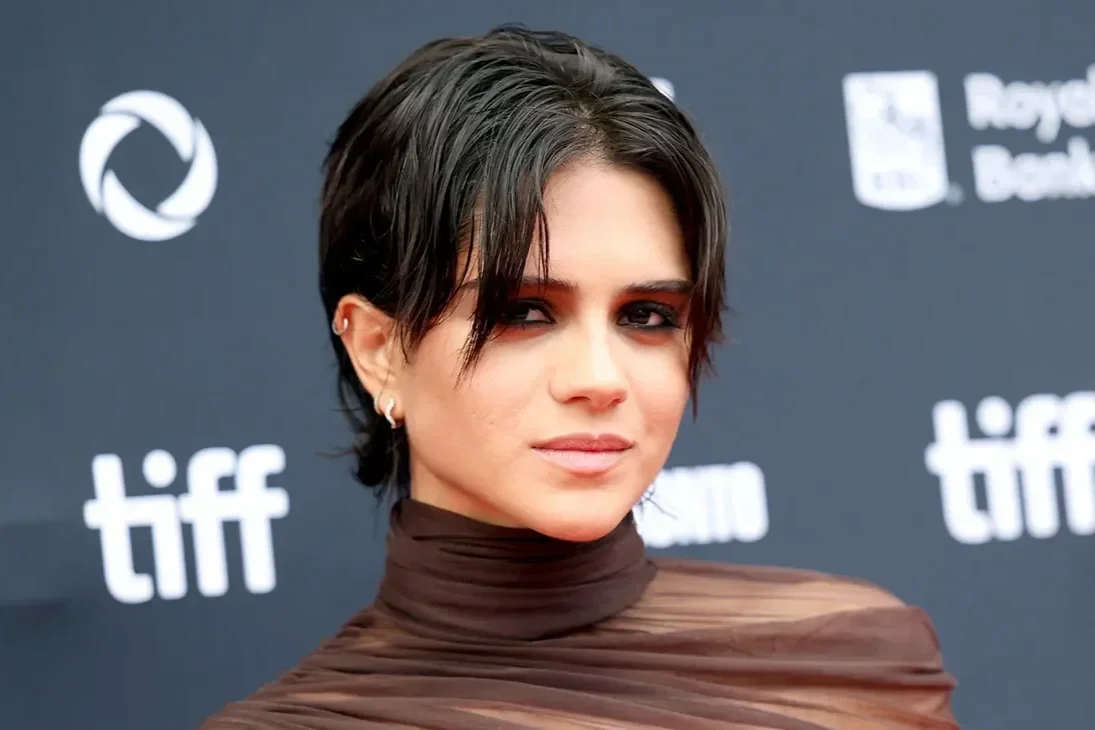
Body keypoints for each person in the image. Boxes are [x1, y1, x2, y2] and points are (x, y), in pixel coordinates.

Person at [199, 25, 958, 730]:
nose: (599, 379)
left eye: (646, 315)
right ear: (378, 350)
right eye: (523, 312)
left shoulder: (854, 667)